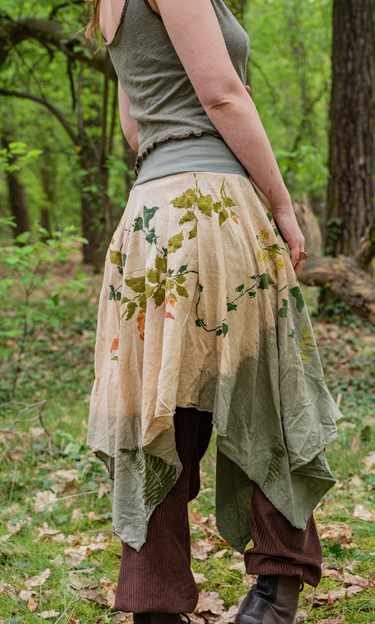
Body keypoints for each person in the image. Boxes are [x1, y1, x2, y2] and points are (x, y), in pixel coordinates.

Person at [86, 1, 342, 623]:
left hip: (148, 218)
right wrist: (282, 205)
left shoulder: (106, 5)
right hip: (211, 207)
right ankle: (275, 591)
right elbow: (222, 97)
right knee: (264, 392)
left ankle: (155, 606)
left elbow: (135, 128)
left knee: (159, 409)